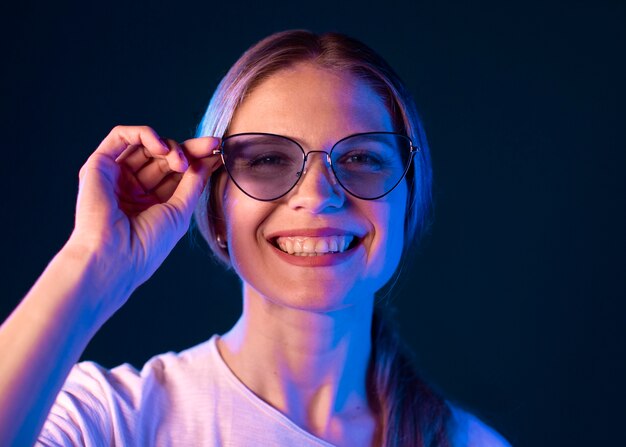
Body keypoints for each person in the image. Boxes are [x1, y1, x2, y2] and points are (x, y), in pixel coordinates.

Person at [0, 30, 511, 446]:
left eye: (361, 158)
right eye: (267, 160)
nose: (318, 196)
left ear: (407, 200)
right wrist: (92, 264)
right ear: (216, 207)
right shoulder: (109, 421)